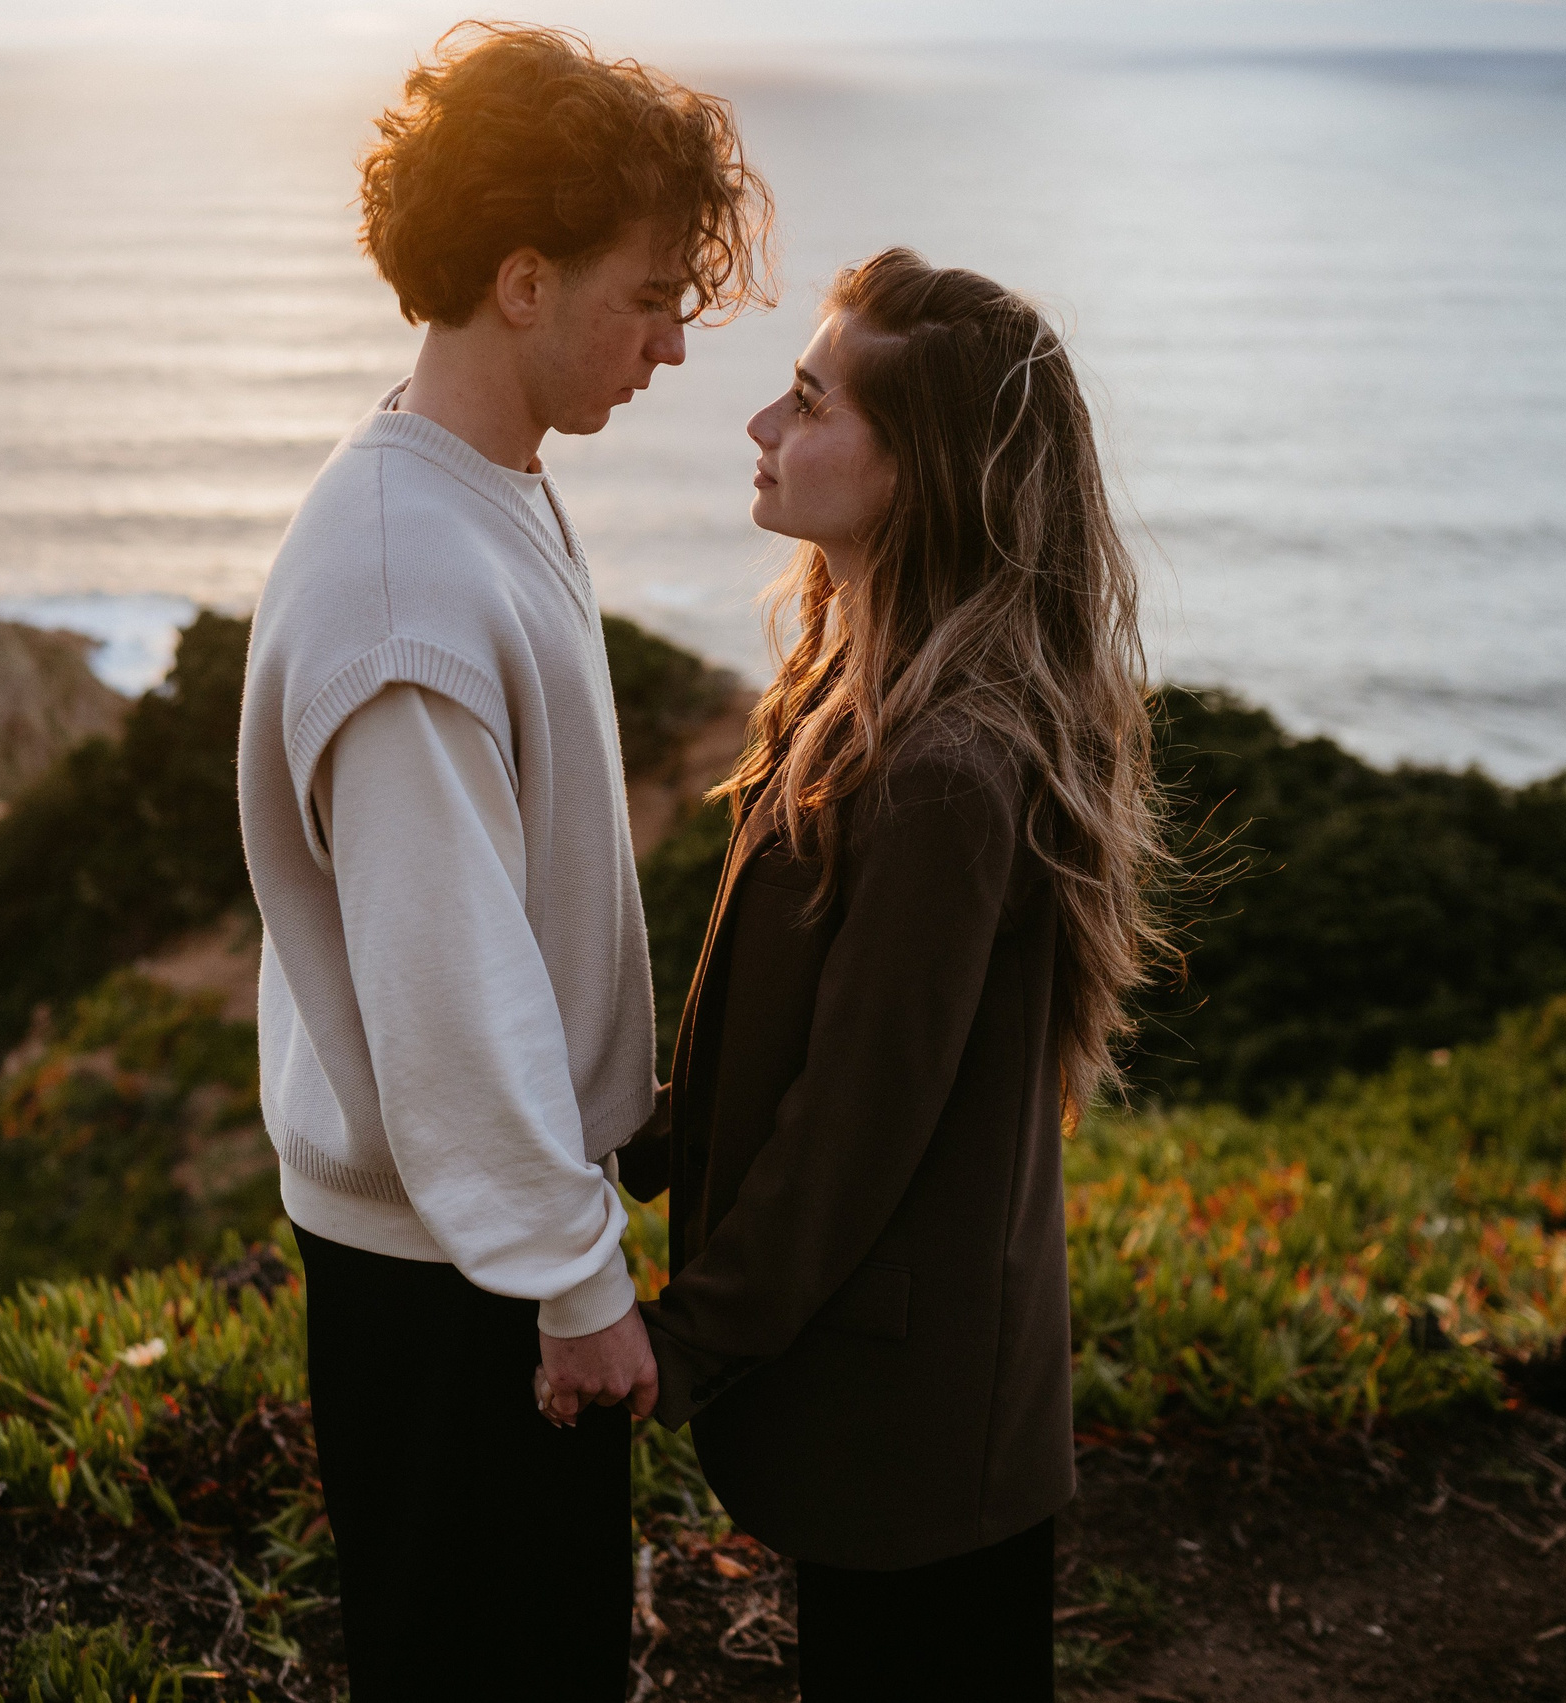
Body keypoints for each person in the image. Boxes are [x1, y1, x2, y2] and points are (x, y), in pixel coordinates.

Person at [234, 23, 771, 1702]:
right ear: (522, 281)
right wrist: (568, 1276)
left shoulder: (480, 479)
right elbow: (448, 982)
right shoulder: (404, 583)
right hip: (456, 1277)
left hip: (481, 1243)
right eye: (647, 296)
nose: (677, 345)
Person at [616, 249, 1168, 1700]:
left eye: (807, 402)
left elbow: (861, 1120)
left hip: (919, 1422)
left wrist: (681, 1346)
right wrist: (646, 1125)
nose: (761, 429)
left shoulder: (949, 769)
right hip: (884, 1386)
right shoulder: (853, 692)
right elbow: (801, 1031)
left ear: (918, 472)